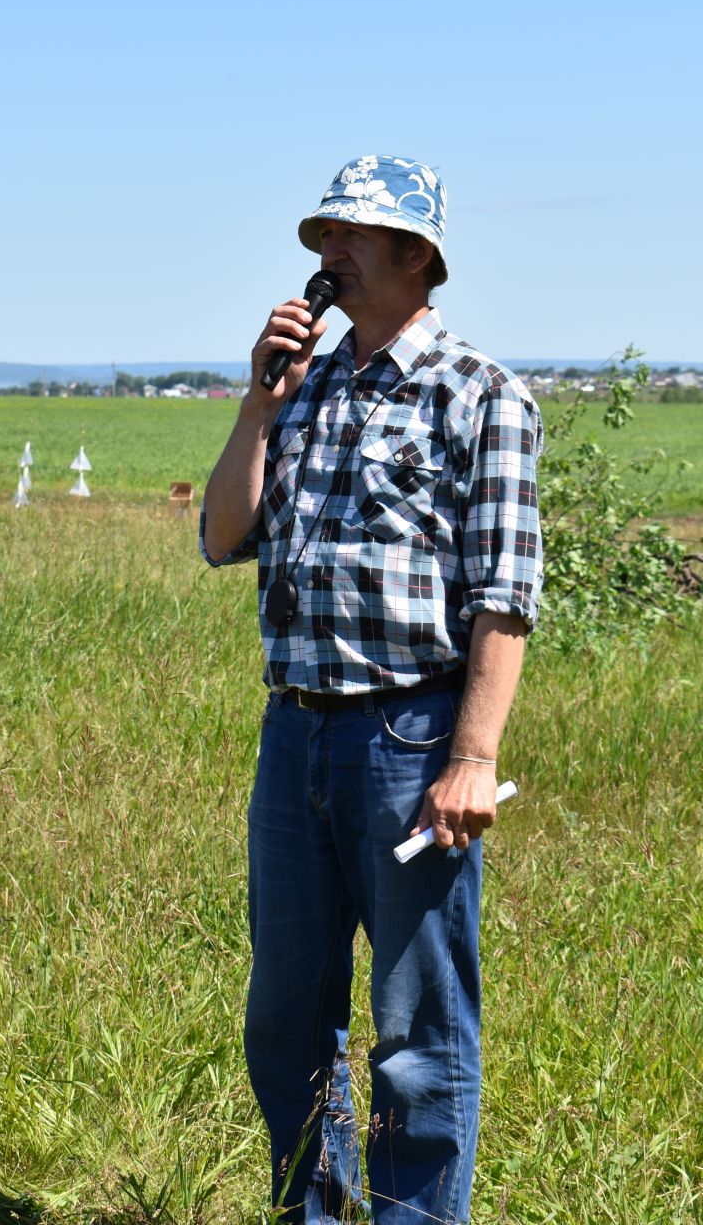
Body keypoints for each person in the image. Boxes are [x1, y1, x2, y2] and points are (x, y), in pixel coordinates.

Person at [199, 155, 543, 1223]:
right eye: (320, 239)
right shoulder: (308, 387)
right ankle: (314, 1207)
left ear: (417, 257)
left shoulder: (482, 394)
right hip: (293, 738)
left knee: (418, 1032)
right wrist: (261, 403)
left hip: (409, 738)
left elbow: (505, 595)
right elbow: (220, 535)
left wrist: (472, 759)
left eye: (349, 238)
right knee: (288, 1018)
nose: (326, 256)